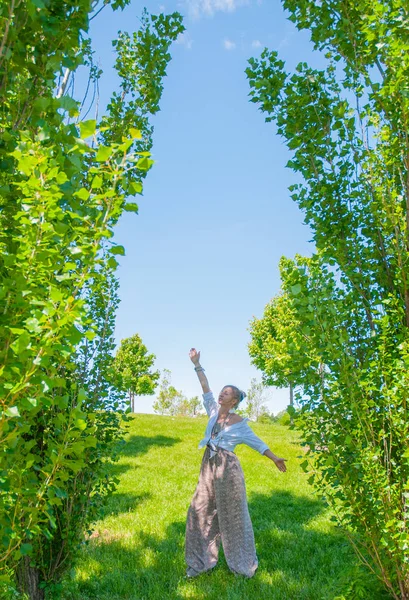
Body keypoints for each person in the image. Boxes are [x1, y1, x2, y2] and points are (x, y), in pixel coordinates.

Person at [185, 348, 287, 579]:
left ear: (234, 401)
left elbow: (258, 443)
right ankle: (200, 561)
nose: (221, 394)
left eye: (227, 393)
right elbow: (205, 387)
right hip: (208, 468)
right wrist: (197, 364)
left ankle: (242, 564)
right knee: (199, 510)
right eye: (222, 391)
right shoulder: (212, 410)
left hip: (228, 471)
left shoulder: (240, 424)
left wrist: (275, 458)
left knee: (233, 516)